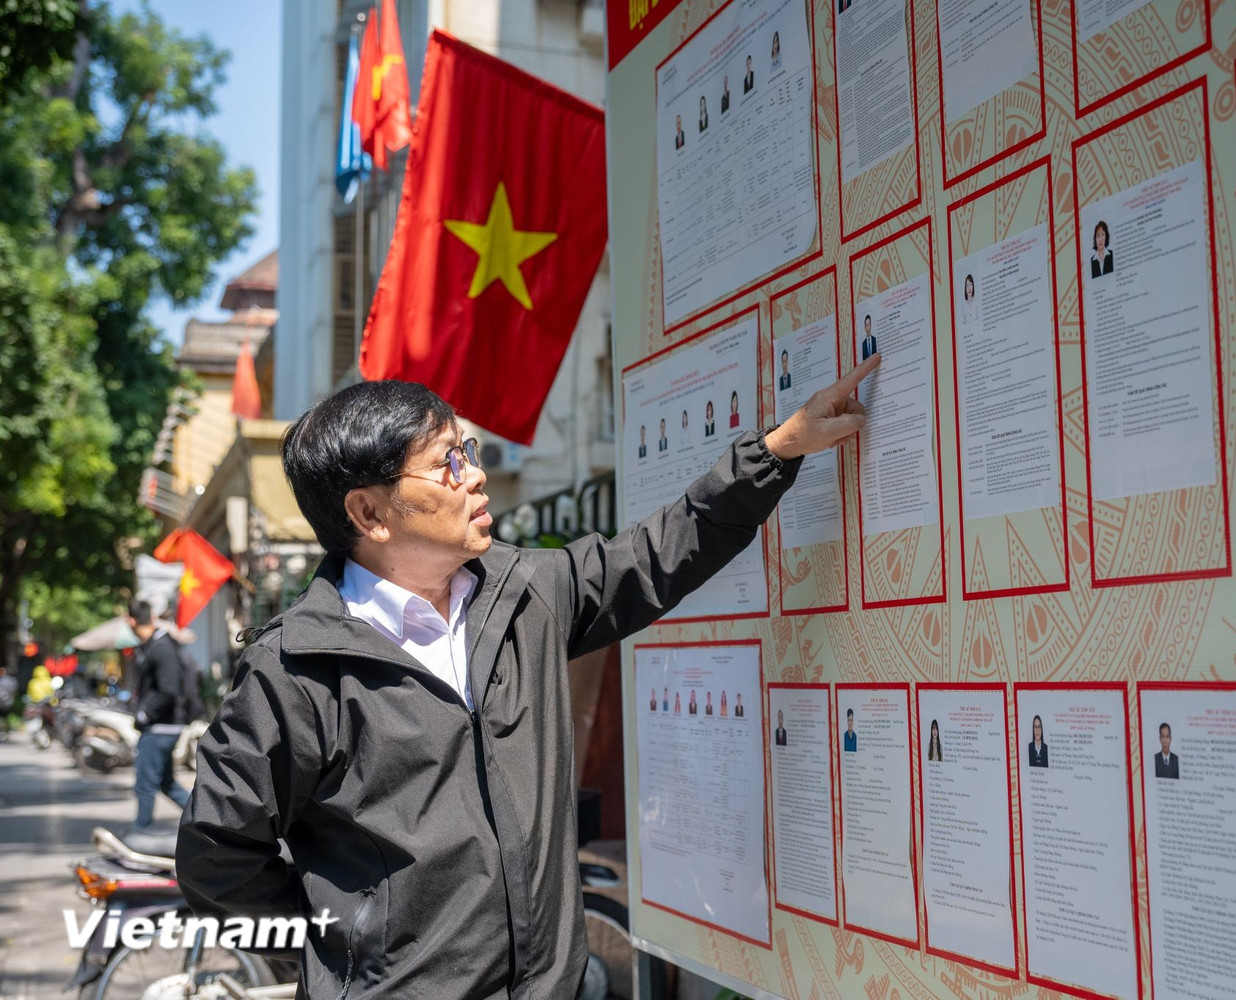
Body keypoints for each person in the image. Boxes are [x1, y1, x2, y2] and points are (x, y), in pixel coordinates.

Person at [177, 362, 878, 999]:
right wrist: (349, 949)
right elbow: (217, 856)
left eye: (467, 451)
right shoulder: (297, 668)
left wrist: (777, 450)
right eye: (447, 463)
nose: (474, 475)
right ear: (369, 514)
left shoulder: (526, 594)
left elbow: (659, 553)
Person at [126, 599, 192, 830]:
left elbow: (169, 690)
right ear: (152, 618)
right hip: (164, 726)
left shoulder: (161, 647)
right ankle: (210, 823)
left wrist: (145, 714)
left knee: (144, 785)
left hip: (160, 727)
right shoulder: (154, 645)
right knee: (167, 784)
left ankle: (140, 833)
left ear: (130, 621)